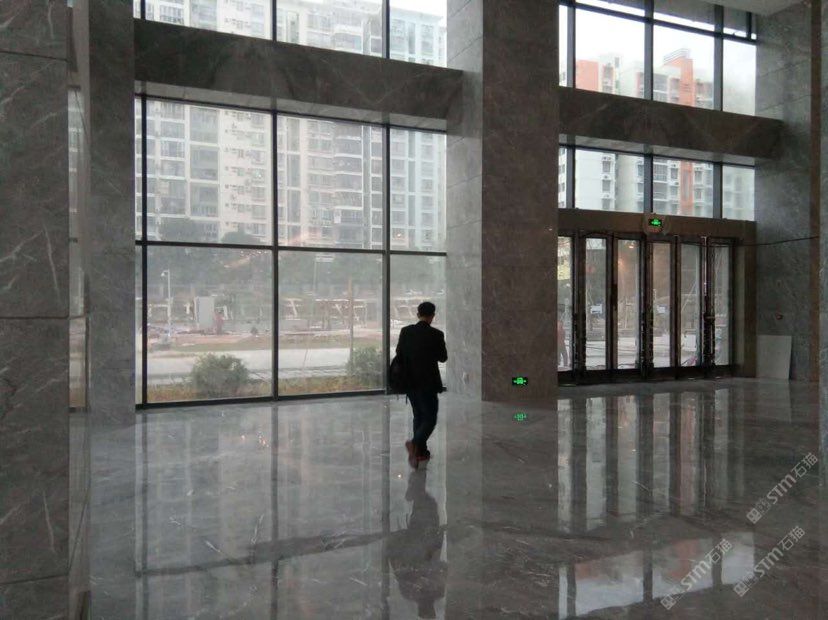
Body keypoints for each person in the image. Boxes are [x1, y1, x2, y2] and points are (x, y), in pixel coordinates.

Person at [396, 301, 448, 469]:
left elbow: (399, 353)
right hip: (428, 383)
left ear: (418, 314)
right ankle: (415, 443)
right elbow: (443, 357)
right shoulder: (436, 334)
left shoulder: (406, 332)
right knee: (430, 418)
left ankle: (420, 452)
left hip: (409, 381)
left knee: (418, 415)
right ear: (432, 316)